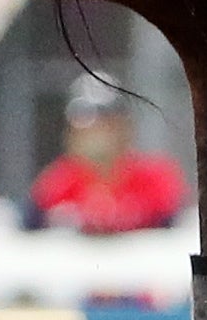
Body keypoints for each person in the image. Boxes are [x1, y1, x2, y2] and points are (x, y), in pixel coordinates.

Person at [27, 77, 188, 235]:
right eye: (87, 126)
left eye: (106, 123)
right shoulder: (57, 182)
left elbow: (175, 230)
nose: (96, 133)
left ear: (124, 127)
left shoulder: (155, 177)